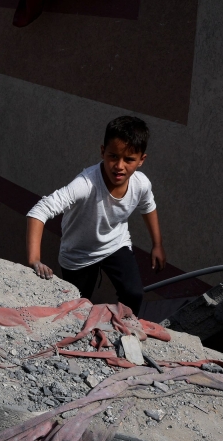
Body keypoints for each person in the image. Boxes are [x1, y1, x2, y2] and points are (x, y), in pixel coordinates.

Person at [25, 115, 165, 314]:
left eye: (129, 160)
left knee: (134, 294)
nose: (119, 166)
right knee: (78, 308)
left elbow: (148, 206)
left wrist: (157, 244)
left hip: (115, 244)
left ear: (141, 160)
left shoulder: (141, 184)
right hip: (78, 254)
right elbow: (39, 210)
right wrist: (34, 260)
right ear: (102, 152)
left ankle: (124, 328)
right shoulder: (86, 184)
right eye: (113, 156)